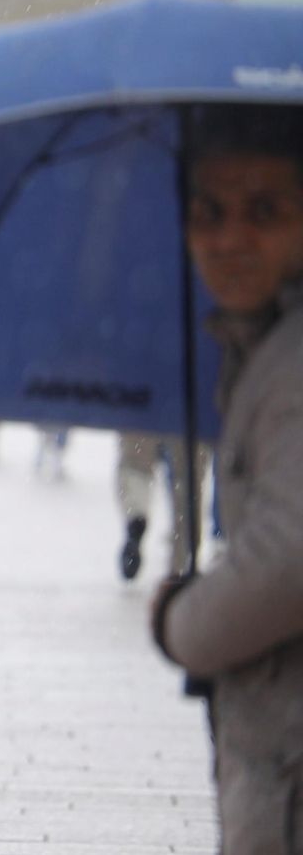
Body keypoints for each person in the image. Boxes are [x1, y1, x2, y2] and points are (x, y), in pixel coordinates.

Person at [151, 105, 303, 855]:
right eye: (207, 212)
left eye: (265, 210)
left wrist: (183, 621)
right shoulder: (264, 347)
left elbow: (289, 558)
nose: (227, 238)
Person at [115, 431, 210, 580]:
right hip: (193, 414)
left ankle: (136, 515)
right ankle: (180, 567)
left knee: (135, 462)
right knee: (188, 477)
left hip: (144, 411)